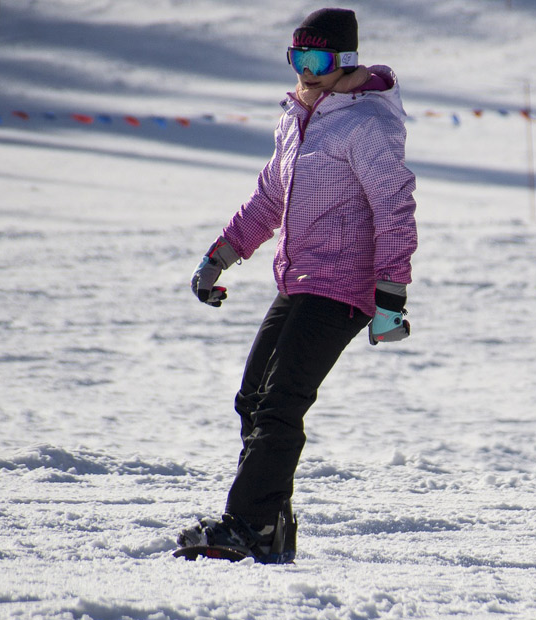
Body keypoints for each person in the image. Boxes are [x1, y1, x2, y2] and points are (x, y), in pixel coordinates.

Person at [176, 7, 418, 564]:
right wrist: (220, 257)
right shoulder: (295, 117)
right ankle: (273, 524)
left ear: (346, 61)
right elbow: (268, 201)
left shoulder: (369, 124)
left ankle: (249, 525)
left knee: (281, 402)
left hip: (345, 286)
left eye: (319, 60)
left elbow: (395, 209)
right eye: (297, 58)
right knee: (252, 399)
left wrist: (391, 297)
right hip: (299, 278)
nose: (306, 72)